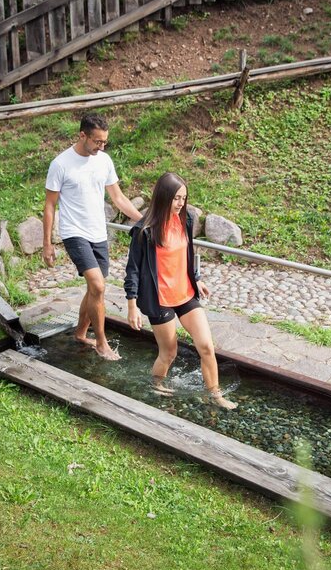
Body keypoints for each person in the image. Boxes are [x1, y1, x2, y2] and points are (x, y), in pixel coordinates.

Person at [124, 172, 237, 410]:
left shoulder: (185, 220)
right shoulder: (145, 230)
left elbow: (186, 255)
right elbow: (133, 269)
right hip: (160, 298)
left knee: (206, 346)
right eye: (176, 198)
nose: (181, 203)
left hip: (184, 292)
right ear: (164, 197)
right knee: (169, 353)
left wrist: (196, 279)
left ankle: (215, 395)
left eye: (184, 198)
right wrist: (132, 305)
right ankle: (156, 384)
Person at [43, 112, 142, 360]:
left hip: (98, 232)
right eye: (97, 141)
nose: (101, 146)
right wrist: (47, 244)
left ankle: (79, 333)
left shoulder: (104, 161)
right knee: (98, 285)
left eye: (104, 142)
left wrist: (144, 220)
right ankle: (101, 343)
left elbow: (118, 198)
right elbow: (49, 206)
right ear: (82, 135)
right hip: (74, 232)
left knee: (95, 289)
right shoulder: (61, 164)